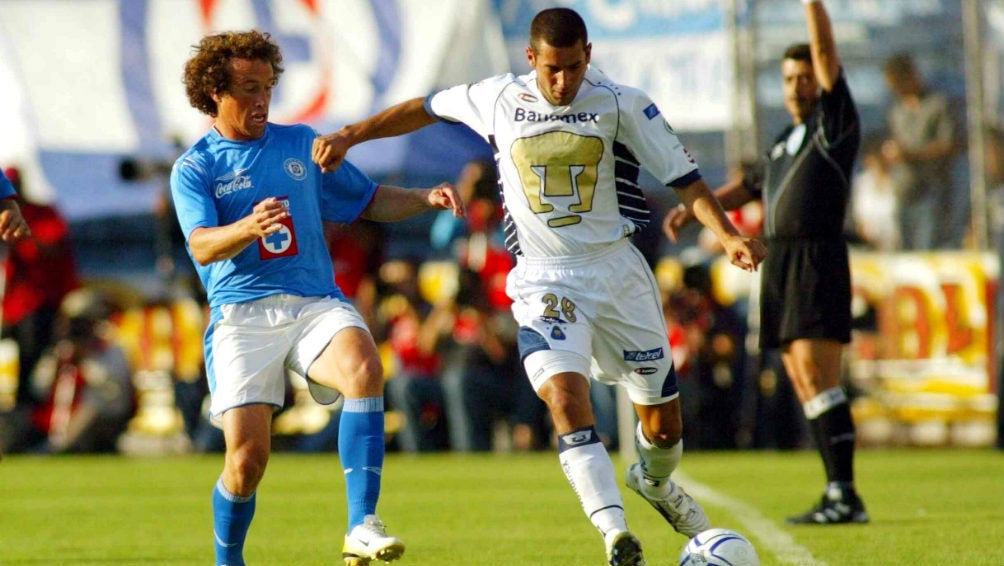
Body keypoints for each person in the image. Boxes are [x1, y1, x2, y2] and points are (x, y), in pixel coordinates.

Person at [313, 8, 766, 565]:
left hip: (617, 274)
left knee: (664, 426)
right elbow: (425, 108)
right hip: (545, 280)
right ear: (531, 59)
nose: (563, 81)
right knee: (565, 398)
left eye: (573, 68)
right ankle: (616, 536)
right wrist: (351, 134)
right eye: (552, 69)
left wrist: (725, 235)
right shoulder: (498, 98)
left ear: (588, 56)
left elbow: (684, 179)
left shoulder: (624, 103)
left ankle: (653, 482)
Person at [170, 30, 463, 566]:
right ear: (215, 92)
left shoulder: (300, 145)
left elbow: (369, 200)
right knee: (248, 460)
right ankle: (227, 560)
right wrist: (246, 227)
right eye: (248, 89)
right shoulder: (196, 167)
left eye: (268, 87)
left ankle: (361, 524)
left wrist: (425, 198)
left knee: (364, 368)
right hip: (242, 316)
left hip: (312, 302)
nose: (262, 100)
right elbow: (201, 246)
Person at [665, 0, 868, 525]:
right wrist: (696, 214)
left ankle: (845, 493)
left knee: (819, 375)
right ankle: (835, 492)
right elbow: (747, 188)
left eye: (805, 77)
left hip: (816, 257)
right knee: (802, 377)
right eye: (788, 79)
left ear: (820, 79)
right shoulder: (785, 140)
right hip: (781, 263)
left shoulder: (834, 124)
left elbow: (824, 49)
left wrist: (812, 7)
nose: (797, 87)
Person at [0, 166, 79, 454]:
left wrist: (21, 234)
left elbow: (53, 245)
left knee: (34, 368)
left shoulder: (41, 212)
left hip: (41, 305)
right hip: (14, 306)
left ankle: (28, 425)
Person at [881, 53, 961, 250]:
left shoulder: (937, 105)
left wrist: (911, 154)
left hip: (930, 193)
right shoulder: (897, 111)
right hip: (904, 194)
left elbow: (949, 145)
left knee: (927, 250)